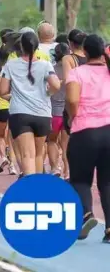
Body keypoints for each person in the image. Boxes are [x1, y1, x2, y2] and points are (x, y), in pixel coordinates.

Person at [64, 34, 110, 243]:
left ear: (85, 51)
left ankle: (87, 214)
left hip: (85, 130)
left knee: (81, 179)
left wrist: (74, 117)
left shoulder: (77, 73)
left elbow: (73, 100)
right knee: (107, 182)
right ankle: (109, 229)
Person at [0, 31, 61, 176]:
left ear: (21, 47)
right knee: (38, 154)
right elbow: (56, 85)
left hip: (20, 114)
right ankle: (38, 190)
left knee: (27, 155)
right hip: (42, 113)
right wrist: (47, 93)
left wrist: (14, 93)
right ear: (36, 46)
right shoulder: (46, 65)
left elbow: (2, 90)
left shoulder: (11, 65)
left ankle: (30, 189)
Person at [0, 30, 19, 176]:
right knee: (12, 137)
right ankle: (12, 165)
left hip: (1, 102)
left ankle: (3, 157)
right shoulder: (18, 57)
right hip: (15, 101)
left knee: (0, 135)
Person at [61, 29, 88, 135]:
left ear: (70, 43)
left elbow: (68, 83)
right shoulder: (92, 58)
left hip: (75, 104)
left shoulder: (68, 59)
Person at [49, 43, 70, 178]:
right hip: (67, 113)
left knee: (51, 141)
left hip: (53, 113)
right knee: (65, 144)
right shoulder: (73, 71)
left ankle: (55, 167)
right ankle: (67, 171)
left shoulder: (51, 70)